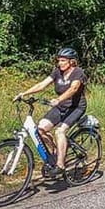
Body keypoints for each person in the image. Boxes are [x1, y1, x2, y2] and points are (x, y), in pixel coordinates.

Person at [14, 47, 87, 177]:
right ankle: (56, 151)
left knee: (60, 131)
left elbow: (74, 88)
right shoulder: (57, 72)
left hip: (75, 107)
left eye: (63, 60)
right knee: (40, 130)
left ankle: (60, 165)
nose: (60, 63)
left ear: (71, 61)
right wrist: (24, 93)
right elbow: (42, 84)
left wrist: (58, 99)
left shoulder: (78, 72)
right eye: (59, 60)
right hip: (61, 107)